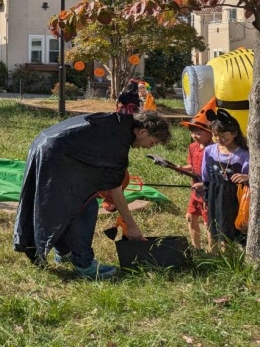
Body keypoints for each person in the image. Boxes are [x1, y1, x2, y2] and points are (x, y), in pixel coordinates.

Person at [14, 109, 171, 280]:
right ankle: (84, 264)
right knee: (84, 207)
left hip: (46, 144)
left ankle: (65, 253)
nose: (149, 147)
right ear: (143, 132)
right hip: (56, 154)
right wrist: (131, 225)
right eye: (153, 142)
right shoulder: (117, 141)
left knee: (60, 204)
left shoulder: (118, 125)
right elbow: (115, 189)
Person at [199, 109, 249, 247]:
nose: (219, 139)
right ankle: (218, 254)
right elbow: (205, 175)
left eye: (223, 135)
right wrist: (206, 196)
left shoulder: (244, 154)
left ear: (234, 133)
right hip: (215, 193)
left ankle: (234, 254)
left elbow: (251, 176)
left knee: (233, 228)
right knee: (216, 225)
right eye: (215, 135)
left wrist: (247, 177)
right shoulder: (210, 151)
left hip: (235, 196)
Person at [177, 109, 214, 250]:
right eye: (192, 132)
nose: (194, 136)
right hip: (195, 190)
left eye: (198, 132)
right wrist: (182, 168)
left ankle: (213, 252)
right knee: (190, 217)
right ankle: (196, 248)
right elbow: (192, 166)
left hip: (208, 191)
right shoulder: (192, 147)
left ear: (210, 132)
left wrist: (205, 184)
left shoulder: (214, 149)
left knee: (208, 223)